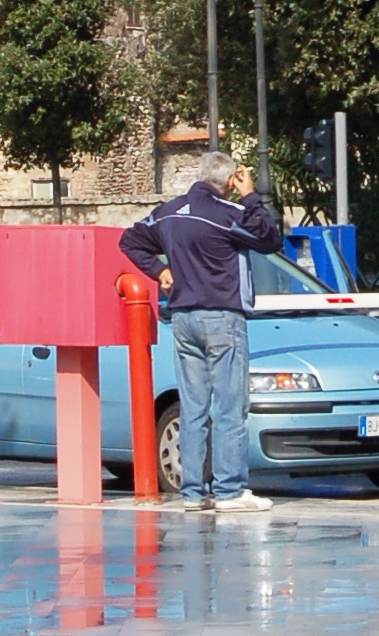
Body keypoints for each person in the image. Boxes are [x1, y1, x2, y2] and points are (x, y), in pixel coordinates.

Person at [119, 152, 282, 512]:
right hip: (222, 316)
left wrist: (159, 270)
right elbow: (270, 239)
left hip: (183, 319)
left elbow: (129, 241)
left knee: (193, 406)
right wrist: (251, 195)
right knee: (229, 406)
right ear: (228, 183)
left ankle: (192, 491)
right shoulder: (230, 215)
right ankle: (229, 490)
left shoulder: (168, 213)